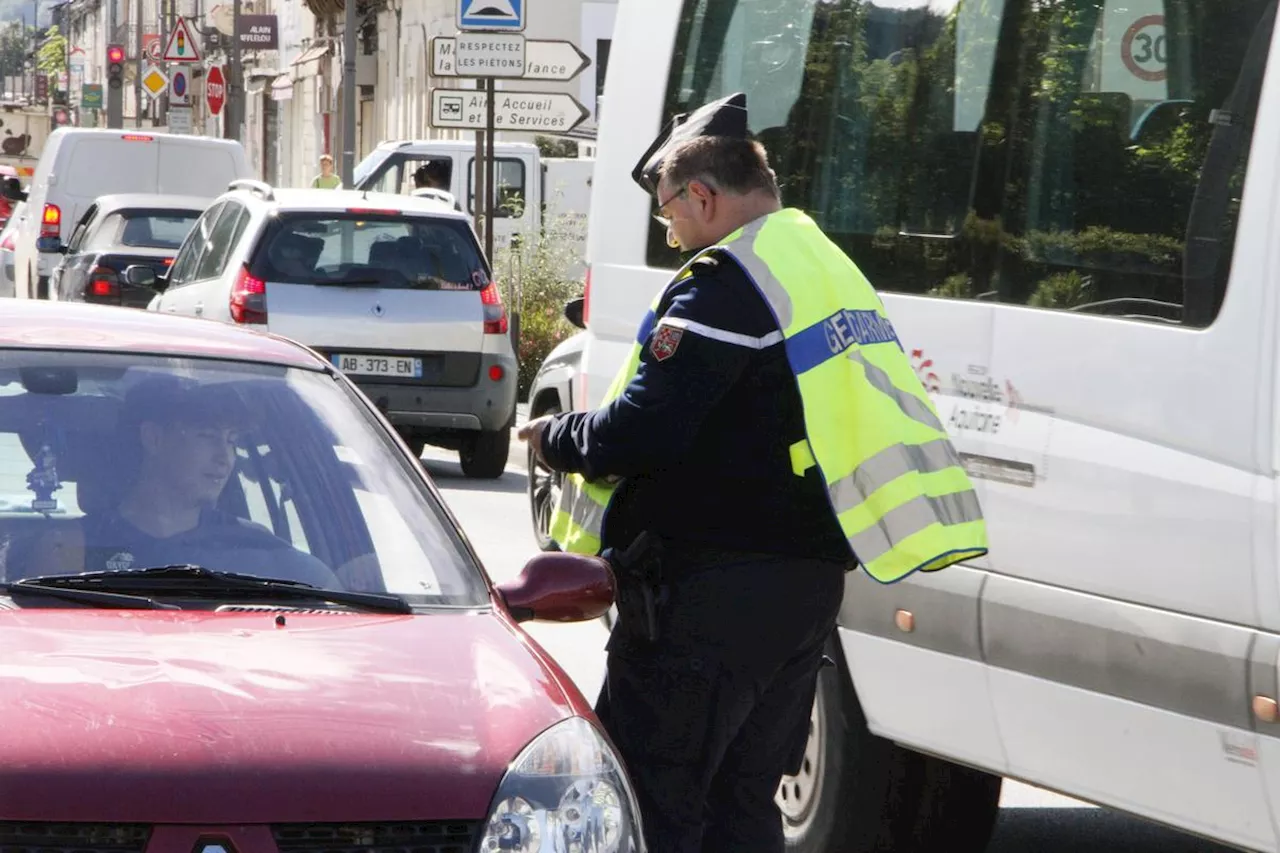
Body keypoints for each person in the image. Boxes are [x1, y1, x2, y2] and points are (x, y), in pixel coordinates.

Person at [517, 92, 989, 853]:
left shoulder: (727, 281)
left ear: (702, 195)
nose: (670, 233)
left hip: (708, 597)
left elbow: (645, 428)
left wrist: (554, 436)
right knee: (743, 803)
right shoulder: (818, 261)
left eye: (669, 211)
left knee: (656, 797)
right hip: (801, 589)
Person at [26, 377, 338, 589]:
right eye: (207, 436)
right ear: (154, 438)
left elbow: (329, 593)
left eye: (231, 441)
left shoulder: (252, 546)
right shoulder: (71, 548)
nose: (225, 458)